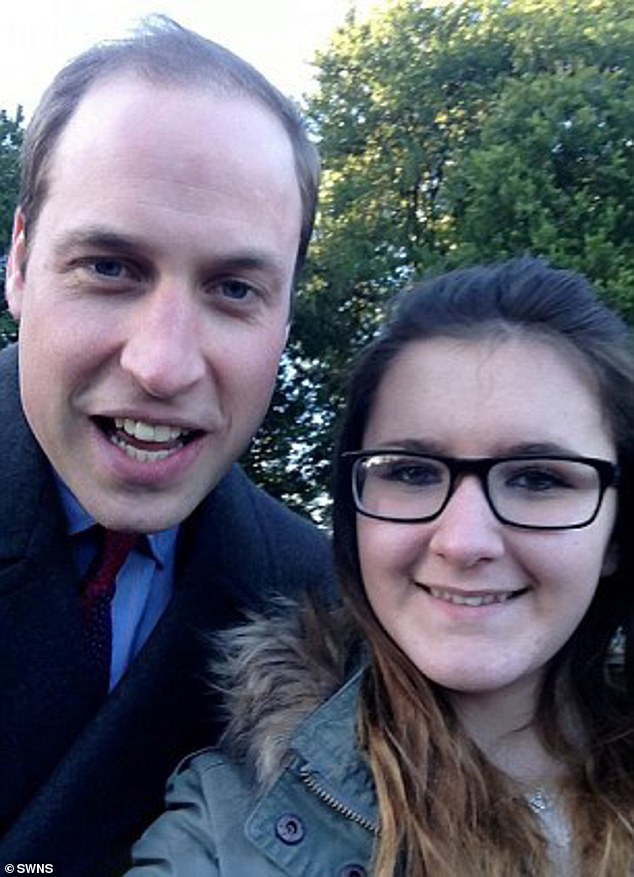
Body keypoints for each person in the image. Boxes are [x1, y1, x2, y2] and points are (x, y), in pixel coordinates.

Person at [127, 257, 634, 876]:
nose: (463, 541)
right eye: (412, 473)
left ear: (614, 531)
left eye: (538, 478)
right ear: (354, 515)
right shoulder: (223, 830)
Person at [0, 15, 335, 877]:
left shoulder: (328, 608)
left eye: (233, 288)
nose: (162, 365)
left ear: (286, 316)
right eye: (111, 267)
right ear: (20, 263)